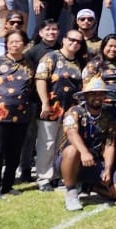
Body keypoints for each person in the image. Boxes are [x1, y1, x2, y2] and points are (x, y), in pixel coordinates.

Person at [0, 30, 34, 199]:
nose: (15, 45)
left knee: (14, 151)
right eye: (11, 42)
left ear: (24, 45)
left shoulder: (30, 65)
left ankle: (8, 185)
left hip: (21, 115)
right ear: (6, 44)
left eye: (18, 42)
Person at [32, 28, 87, 192]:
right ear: (64, 39)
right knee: (47, 143)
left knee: (62, 145)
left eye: (78, 42)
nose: (74, 43)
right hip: (52, 107)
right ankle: (43, 178)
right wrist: (44, 103)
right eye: (72, 39)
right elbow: (40, 79)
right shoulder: (51, 57)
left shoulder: (79, 62)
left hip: (71, 110)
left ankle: (57, 175)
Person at [59, 78, 116, 211]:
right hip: (71, 160)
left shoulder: (109, 116)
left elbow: (109, 144)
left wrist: (107, 168)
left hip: (95, 162)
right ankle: (71, 192)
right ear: (86, 96)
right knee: (72, 150)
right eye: (93, 94)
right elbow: (71, 132)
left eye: (100, 94)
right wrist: (83, 152)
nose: (97, 97)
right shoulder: (74, 111)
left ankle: (87, 187)